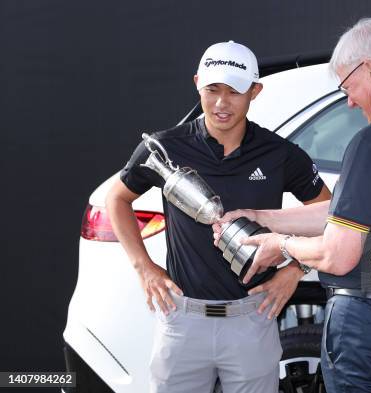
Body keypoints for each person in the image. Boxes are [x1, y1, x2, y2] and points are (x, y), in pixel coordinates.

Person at [214, 19, 371, 393]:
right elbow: (346, 216)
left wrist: (279, 245)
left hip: (369, 324)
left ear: (370, 69)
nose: (349, 100)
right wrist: (261, 217)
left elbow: (338, 255)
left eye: (348, 86)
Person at [106, 40, 331, 393]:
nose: (222, 103)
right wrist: (144, 268)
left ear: (255, 91)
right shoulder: (167, 147)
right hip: (182, 320)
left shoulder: (280, 154)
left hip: (252, 319)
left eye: (234, 92)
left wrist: (294, 270)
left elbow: (329, 215)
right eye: (212, 90)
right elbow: (116, 199)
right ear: (198, 83)